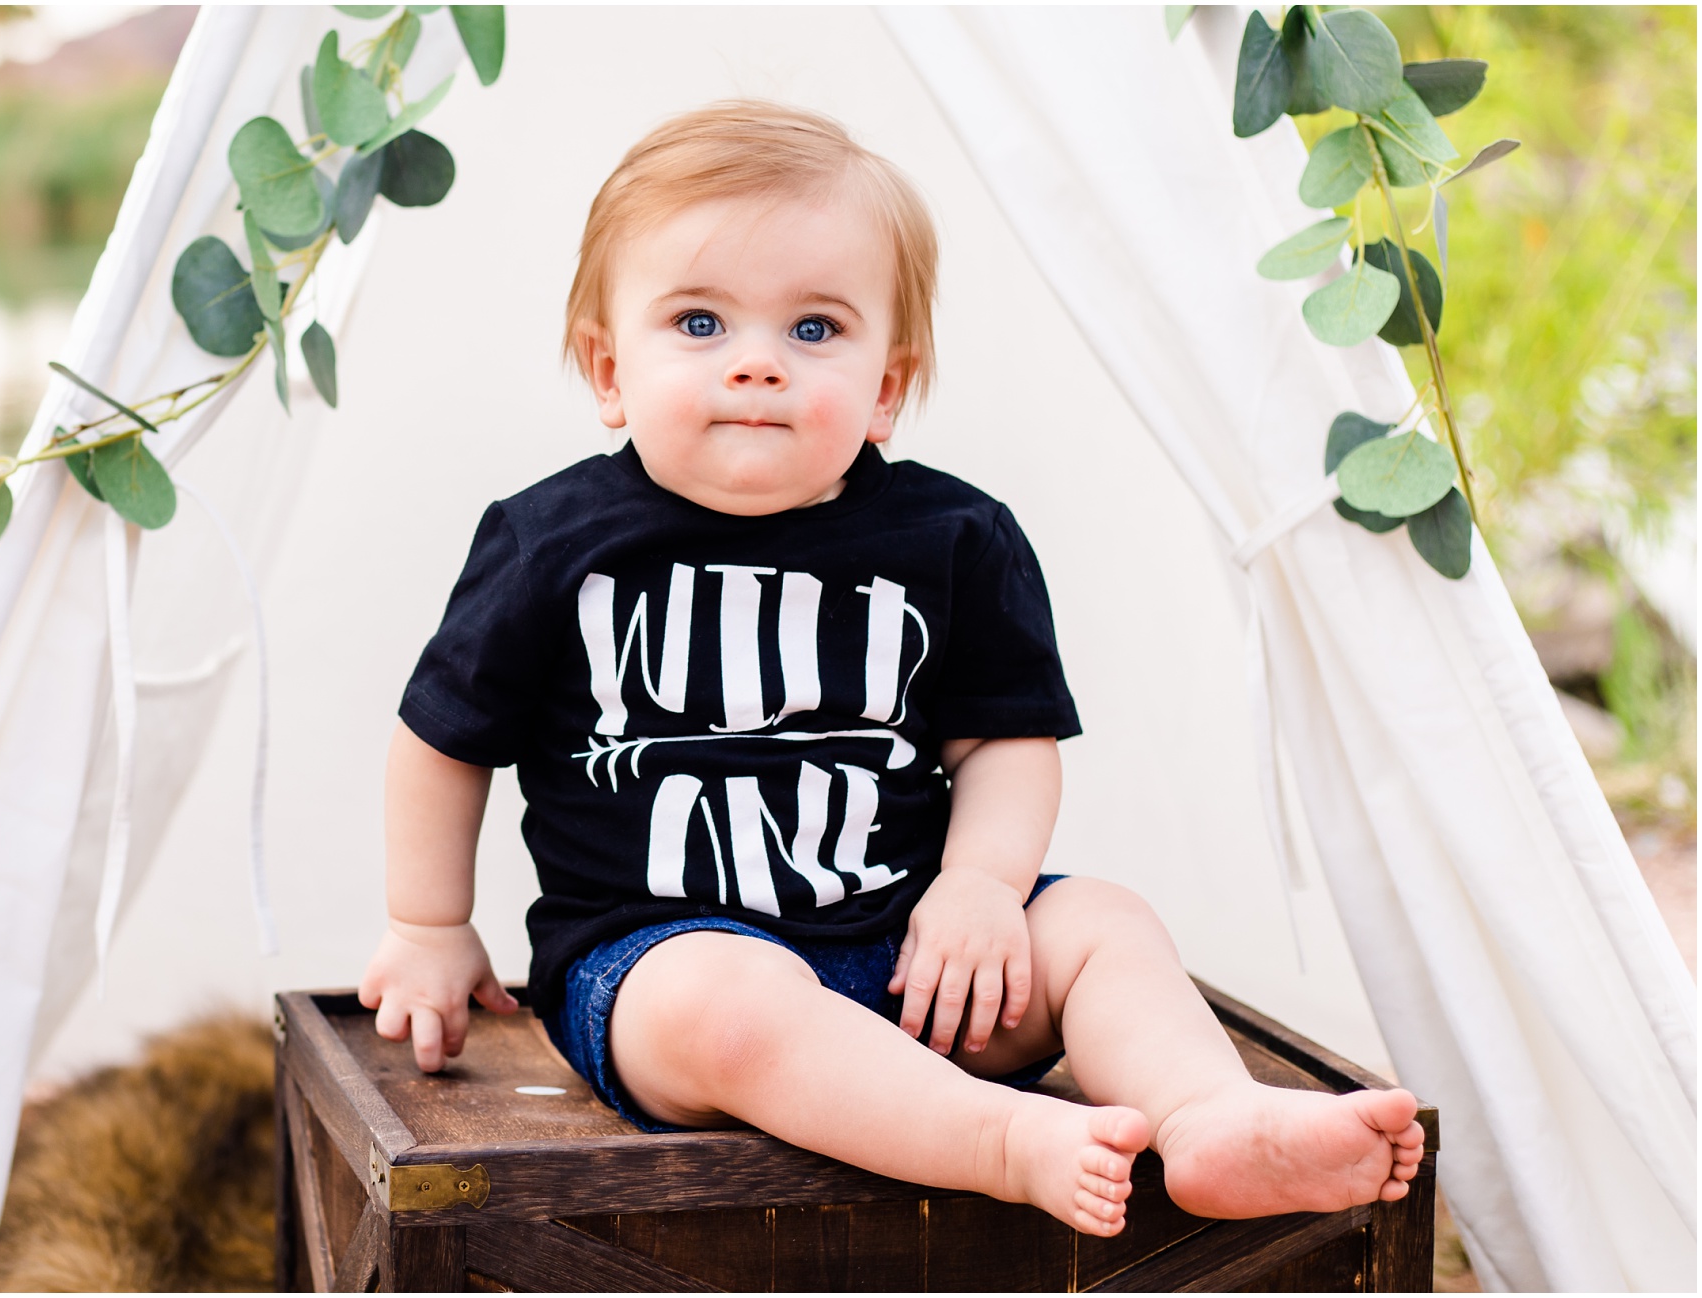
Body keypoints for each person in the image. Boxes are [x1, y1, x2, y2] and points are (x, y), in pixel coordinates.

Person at [358, 100, 1423, 1236]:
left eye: (814, 330)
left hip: (921, 955)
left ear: (887, 387)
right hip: (653, 963)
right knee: (732, 999)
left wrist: (979, 888)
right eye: (701, 322)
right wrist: (429, 924)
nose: (757, 364)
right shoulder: (551, 541)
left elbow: (1005, 743)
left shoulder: (955, 539)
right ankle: (1002, 1140)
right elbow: (443, 737)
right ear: (609, 369)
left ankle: (1208, 1114)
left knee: (1103, 921)